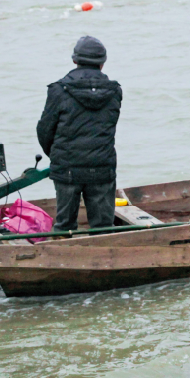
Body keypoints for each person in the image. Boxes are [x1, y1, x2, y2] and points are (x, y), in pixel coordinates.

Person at [36, 35, 123, 231]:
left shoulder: (59, 90)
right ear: (102, 63)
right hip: (102, 166)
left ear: (75, 60)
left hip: (67, 167)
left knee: (64, 225)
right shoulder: (115, 91)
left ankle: (60, 255)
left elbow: (44, 130)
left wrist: (59, 154)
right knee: (103, 227)